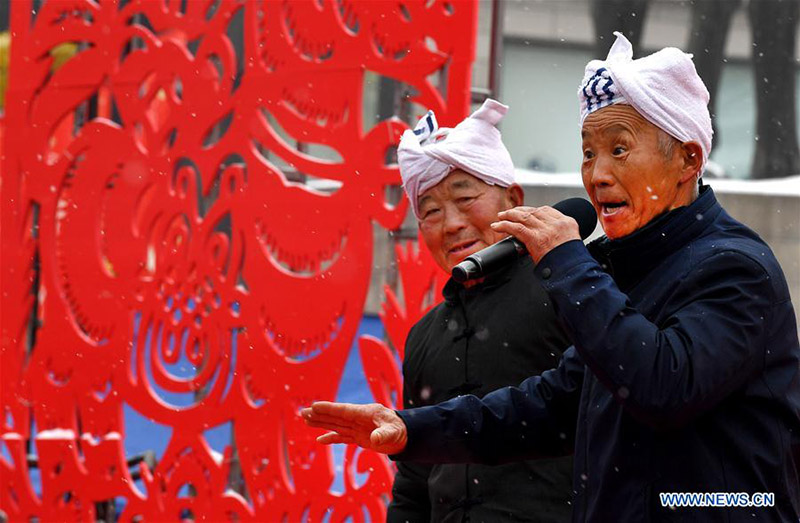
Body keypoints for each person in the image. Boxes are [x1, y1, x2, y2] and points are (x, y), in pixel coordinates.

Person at [303, 33, 800, 521]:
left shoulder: (734, 267)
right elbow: (547, 404)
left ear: (688, 159)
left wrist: (566, 262)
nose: (597, 174)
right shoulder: (622, 273)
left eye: (619, 150)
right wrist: (411, 430)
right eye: (588, 153)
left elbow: (662, 386)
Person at [387, 99, 574, 522]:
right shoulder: (424, 336)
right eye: (431, 211)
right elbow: (415, 481)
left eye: (465, 197)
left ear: (514, 197)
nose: (451, 223)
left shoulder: (569, 289)